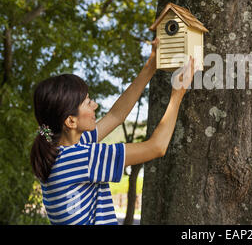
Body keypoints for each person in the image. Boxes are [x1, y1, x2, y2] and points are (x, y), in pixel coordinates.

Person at [30, 38, 195, 225]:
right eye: (87, 102)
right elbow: (157, 147)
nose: (95, 105)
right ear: (70, 121)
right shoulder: (83, 158)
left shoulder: (62, 152)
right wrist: (177, 94)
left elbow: (116, 115)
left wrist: (151, 66)